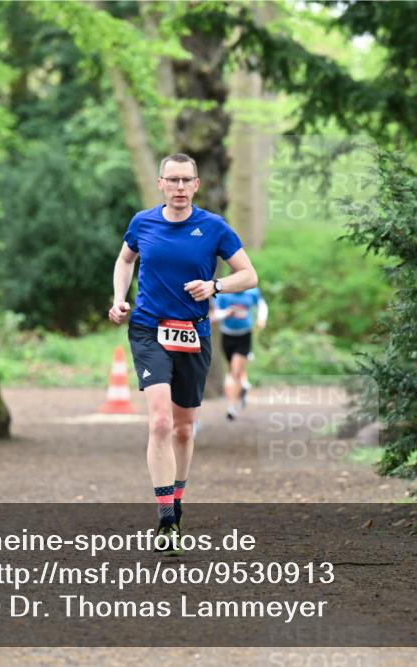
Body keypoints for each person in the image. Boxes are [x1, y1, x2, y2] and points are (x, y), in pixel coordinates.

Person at [108, 153, 258, 553]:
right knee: (158, 422)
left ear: (196, 185)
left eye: (185, 180)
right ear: (160, 183)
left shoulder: (213, 227)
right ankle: (165, 520)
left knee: (183, 428)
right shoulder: (142, 222)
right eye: (171, 180)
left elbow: (249, 274)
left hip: (193, 334)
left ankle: (177, 500)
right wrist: (119, 298)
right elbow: (125, 260)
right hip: (148, 329)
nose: (178, 187)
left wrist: (215, 287)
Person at [212, 287, 267, 420]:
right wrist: (227, 312)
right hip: (227, 335)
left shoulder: (252, 292)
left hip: (244, 336)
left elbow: (262, 305)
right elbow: (214, 314)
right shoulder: (224, 294)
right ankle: (242, 388)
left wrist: (261, 318)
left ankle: (231, 408)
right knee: (232, 370)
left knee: (235, 372)